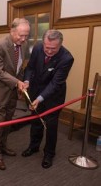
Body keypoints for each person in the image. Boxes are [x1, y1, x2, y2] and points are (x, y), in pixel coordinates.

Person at [22, 29, 74, 169]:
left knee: (51, 126)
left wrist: (40, 98)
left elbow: (55, 83)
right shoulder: (38, 48)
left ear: (60, 45)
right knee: (36, 121)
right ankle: (33, 146)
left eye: (53, 48)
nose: (49, 51)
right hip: (35, 90)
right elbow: (30, 67)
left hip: (53, 96)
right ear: (43, 43)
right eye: (47, 47)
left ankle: (49, 154)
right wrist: (26, 81)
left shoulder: (67, 58)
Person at [0, 18, 30, 170]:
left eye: (26, 35)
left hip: (12, 91)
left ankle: (3, 146)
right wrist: (16, 82)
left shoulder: (23, 45)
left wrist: (22, 82)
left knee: (8, 121)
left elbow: (19, 68)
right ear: (12, 31)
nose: (23, 39)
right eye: (21, 35)